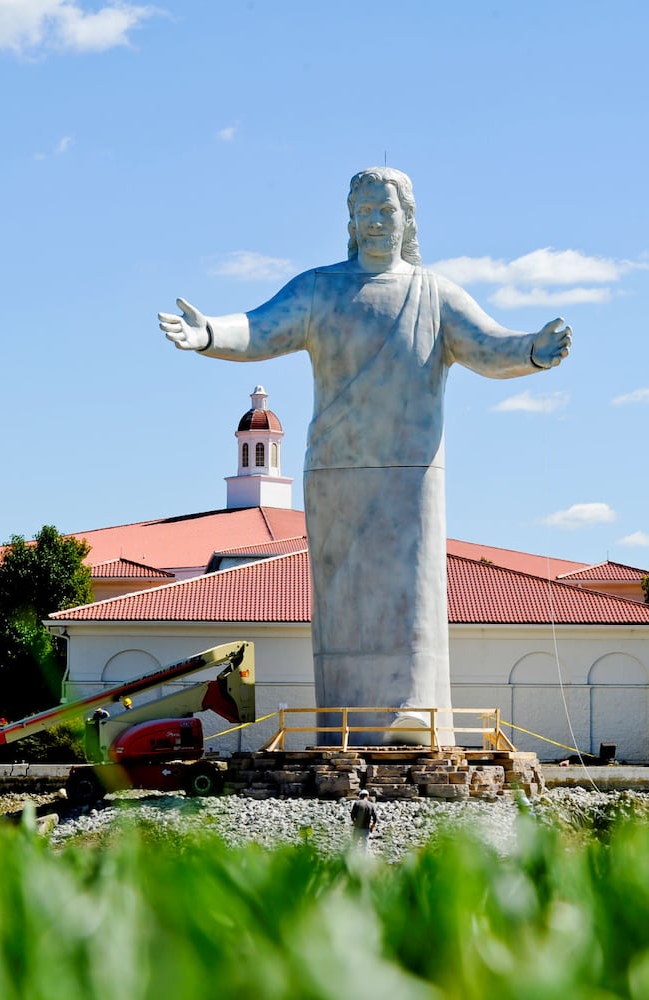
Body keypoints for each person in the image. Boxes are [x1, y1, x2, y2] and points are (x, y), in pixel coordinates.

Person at [160, 168, 571, 744]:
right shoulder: (320, 289)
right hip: (336, 470)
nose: (377, 221)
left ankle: (414, 717)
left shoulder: (435, 293)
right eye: (366, 211)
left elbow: (489, 346)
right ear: (350, 221)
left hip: (412, 472)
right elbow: (258, 329)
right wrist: (209, 333)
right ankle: (344, 723)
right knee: (342, 602)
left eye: (388, 210)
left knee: (412, 595)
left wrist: (533, 349)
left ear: (407, 219)